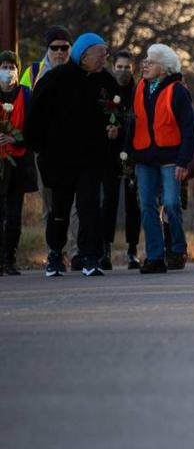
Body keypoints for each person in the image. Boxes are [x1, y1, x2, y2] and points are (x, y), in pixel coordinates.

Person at [24, 32, 121, 277]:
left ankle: (90, 257)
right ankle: (55, 255)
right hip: (59, 159)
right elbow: (35, 117)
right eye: (101, 54)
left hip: (92, 158)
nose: (104, 59)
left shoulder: (107, 82)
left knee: (90, 208)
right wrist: (40, 148)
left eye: (106, 55)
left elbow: (119, 111)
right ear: (84, 55)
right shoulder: (55, 79)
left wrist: (115, 128)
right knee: (59, 210)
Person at [126, 44, 194, 273]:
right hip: (144, 158)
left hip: (171, 158)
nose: (145, 64)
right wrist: (127, 153)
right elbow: (132, 123)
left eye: (151, 61)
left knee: (171, 203)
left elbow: (189, 130)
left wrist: (184, 161)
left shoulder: (178, 90)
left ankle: (177, 249)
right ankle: (155, 257)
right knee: (147, 206)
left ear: (165, 68)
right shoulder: (139, 88)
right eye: (146, 60)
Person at [20, 26, 81, 266]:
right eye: (53, 48)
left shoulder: (79, 71)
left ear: (70, 49)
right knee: (50, 205)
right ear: (47, 49)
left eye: (64, 48)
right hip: (45, 150)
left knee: (77, 205)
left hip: (75, 149)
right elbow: (22, 108)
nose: (58, 52)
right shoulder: (33, 72)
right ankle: (56, 250)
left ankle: (77, 252)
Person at [99, 48, 142, 270]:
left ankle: (132, 249)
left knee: (133, 202)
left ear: (132, 69)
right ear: (113, 67)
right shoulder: (106, 89)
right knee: (109, 200)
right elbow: (98, 116)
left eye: (127, 67)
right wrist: (107, 130)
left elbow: (140, 121)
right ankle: (105, 248)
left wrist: (124, 131)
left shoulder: (138, 91)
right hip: (109, 153)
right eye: (119, 67)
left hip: (133, 152)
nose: (123, 71)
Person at [0, 51, 39, 275]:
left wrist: (15, 137)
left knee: (14, 214)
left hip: (18, 162)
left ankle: (9, 259)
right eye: (4, 67)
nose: (8, 71)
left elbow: (34, 128)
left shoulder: (26, 95)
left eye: (12, 67)